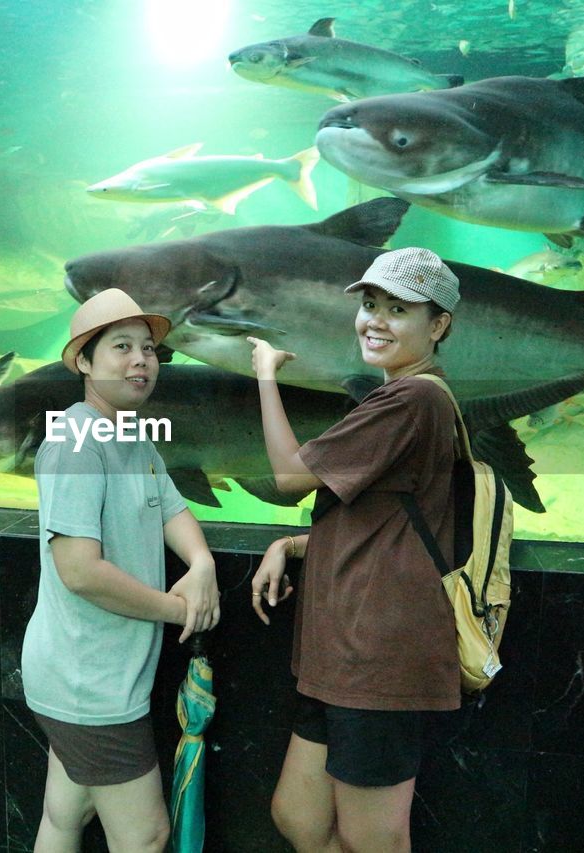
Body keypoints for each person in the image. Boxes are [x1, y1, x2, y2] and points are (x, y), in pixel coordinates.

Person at [246, 247, 463, 852]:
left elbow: (291, 480)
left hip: (379, 656)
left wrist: (266, 375)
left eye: (398, 309)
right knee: (300, 817)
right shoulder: (398, 400)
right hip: (340, 654)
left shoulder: (414, 399)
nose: (375, 320)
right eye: (370, 304)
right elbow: (378, 521)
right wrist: (291, 545)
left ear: (438, 324)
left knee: (374, 840)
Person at [23, 288, 219, 853]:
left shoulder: (132, 435)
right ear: (83, 362)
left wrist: (202, 562)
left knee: (65, 815)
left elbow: (172, 506)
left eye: (149, 349)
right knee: (147, 836)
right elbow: (79, 571)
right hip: (90, 684)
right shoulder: (76, 442)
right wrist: (177, 610)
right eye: (121, 347)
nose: (141, 360)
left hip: (96, 677)